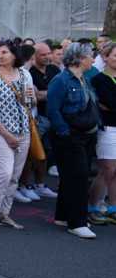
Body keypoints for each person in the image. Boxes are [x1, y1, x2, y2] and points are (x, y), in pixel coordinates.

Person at [0, 39, 34, 236]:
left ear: (14, 55)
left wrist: (32, 97)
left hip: (24, 132)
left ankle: (4, 213)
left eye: (4, 52)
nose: (0, 56)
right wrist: (6, 134)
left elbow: (30, 104)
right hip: (2, 133)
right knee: (4, 173)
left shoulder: (25, 74)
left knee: (14, 177)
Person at [47, 42, 99, 238]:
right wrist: (65, 132)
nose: (94, 60)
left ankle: (63, 216)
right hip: (70, 137)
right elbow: (52, 110)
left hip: (84, 136)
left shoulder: (83, 79)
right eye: (91, 56)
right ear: (79, 58)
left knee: (71, 177)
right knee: (78, 177)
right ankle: (77, 222)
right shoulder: (61, 80)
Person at [18, 42, 59, 200]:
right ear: (34, 56)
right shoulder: (30, 72)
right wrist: (48, 94)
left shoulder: (53, 69)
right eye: (43, 54)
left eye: (49, 53)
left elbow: (56, 92)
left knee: (45, 151)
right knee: (29, 152)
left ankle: (40, 184)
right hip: (37, 117)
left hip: (52, 116)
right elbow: (35, 96)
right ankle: (25, 184)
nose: (47, 57)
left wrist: (43, 93)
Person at [89, 40, 116, 226]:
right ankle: (92, 208)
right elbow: (111, 104)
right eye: (115, 55)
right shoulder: (99, 79)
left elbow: (111, 105)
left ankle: (112, 207)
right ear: (105, 57)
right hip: (108, 129)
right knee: (107, 171)